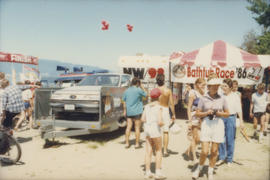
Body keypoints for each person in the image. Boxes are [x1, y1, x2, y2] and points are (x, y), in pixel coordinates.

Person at [192, 74, 229, 180]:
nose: (216, 87)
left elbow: (227, 113)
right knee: (204, 151)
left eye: (217, 85)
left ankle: (210, 171)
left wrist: (219, 113)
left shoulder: (222, 98)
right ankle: (199, 169)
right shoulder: (203, 98)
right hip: (207, 124)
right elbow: (197, 113)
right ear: (208, 87)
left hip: (218, 124)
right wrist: (206, 112)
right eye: (213, 85)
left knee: (214, 151)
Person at [216, 78, 244, 166]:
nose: (223, 88)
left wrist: (242, 121)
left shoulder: (235, 96)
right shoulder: (220, 95)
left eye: (225, 86)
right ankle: (221, 157)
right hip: (221, 117)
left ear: (230, 87)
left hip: (231, 118)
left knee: (230, 139)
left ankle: (229, 159)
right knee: (221, 138)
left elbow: (239, 109)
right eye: (223, 86)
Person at [142, 88, 166, 179]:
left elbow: (143, 119)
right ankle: (158, 172)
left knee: (148, 151)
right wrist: (164, 123)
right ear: (159, 97)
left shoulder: (147, 106)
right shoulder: (159, 107)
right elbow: (159, 122)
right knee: (159, 150)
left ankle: (147, 172)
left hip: (147, 129)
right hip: (155, 129)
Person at [185, 78, 206, 164]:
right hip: (194, 117)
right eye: (202, 84)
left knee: (199, 138)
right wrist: (189, 120)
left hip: (203, 117)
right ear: (197, 84)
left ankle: (188, 150)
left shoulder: (205, 93)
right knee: (196, 137)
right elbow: (189, 107)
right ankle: (194, 157)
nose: (204, 86)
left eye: (205, 84)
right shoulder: (193, 93)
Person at [122, 77, 147, 149]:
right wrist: (142, 86)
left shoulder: (126, 91)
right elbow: (146, 94)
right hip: (137, 112)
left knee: (128, 127)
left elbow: (124, 101)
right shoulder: (139, 90)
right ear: (138, 83)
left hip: (129, 111)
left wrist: (124, 111)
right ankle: (137, 144)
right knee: (137, 128)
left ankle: (127, 143)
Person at [156, 74, 176, 157]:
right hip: (165, 110)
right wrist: (173, 114)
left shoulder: (155, 90)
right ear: (164, 80)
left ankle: (157, 149)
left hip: (156, 110)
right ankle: (165, 151)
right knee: (166, 131)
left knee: (156, 131)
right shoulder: (168, 91)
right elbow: (171, 104)